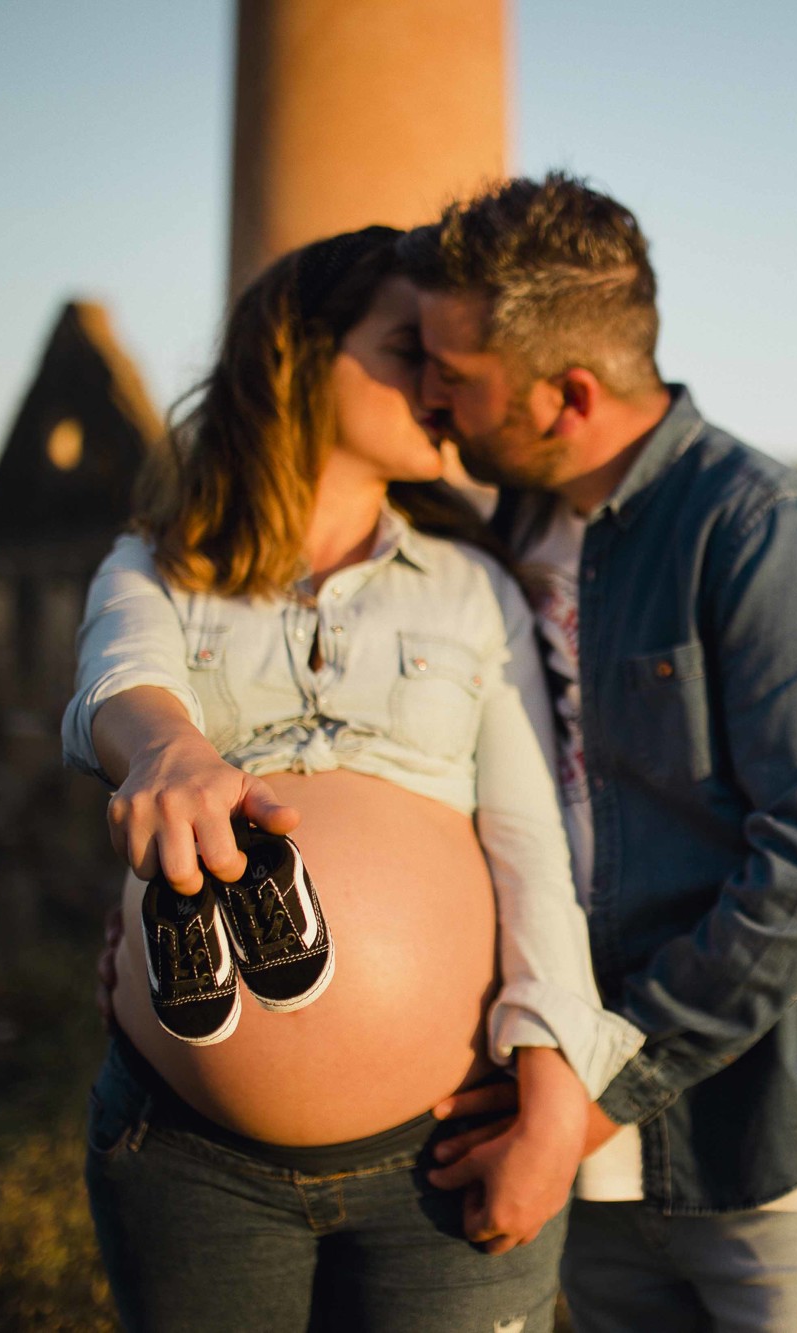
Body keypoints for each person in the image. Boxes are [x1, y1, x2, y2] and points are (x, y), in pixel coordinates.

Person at [63, 224, 640, 1333]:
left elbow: (531, 849)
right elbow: (116, 683)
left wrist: (557, 1098)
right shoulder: (154, 563)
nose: (439, 386)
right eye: (406, 348)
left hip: (440, 1150)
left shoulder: (470, 589)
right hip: (190, 1157)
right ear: (300, 352)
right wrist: (169, 748)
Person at [402, 175, 797, 1333]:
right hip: (576, 1163)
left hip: (775, 1144)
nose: (429, 396)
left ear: (567, 393)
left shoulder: (762, 536)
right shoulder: (501, 537)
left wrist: (588, 1099)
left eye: (456, 374)